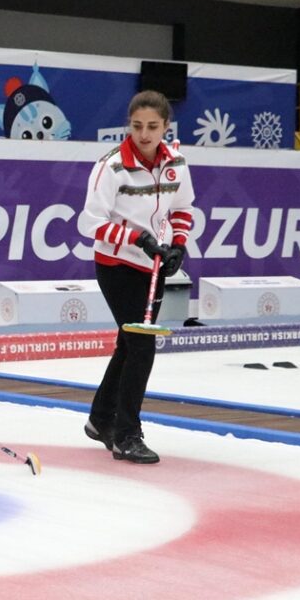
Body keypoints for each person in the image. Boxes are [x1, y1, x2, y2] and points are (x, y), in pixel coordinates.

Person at [76, 90, 194, 464]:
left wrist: (177, 245)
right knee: (141, 346)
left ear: (166, 128)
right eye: (137, 126)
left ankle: (100, 419)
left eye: (153, 127)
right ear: (129, 125)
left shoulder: (176, 162)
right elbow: (89, 222)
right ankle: (126, 434)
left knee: (130, 344)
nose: (144, 134)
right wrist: (137, 238)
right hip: (116, 265)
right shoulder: (111, 166)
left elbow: (182, 208)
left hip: (154, 265)